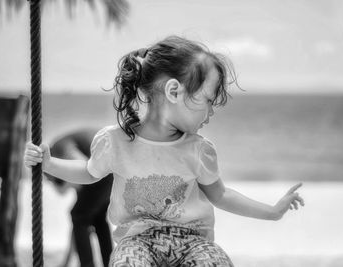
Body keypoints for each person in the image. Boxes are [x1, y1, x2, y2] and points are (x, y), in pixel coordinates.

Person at [24, 35, 305, 267]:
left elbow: (221, 194)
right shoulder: (116, 142)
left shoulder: (199, 150)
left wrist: (272, 212)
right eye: (207, 100)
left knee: (216, 263)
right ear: (173, 91)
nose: (210, 112)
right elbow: (88, 172)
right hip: (137, 242)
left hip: (194, 242)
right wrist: (49, 163)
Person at [44, 129, 113, 267]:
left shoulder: (60, 147)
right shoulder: (75, 176)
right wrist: (65, 262)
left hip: (102, 169)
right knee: (97, 219)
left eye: (54, 180)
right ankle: (111, 263)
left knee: (79, 216)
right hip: (111, 171)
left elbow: (83, 164)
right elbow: (75, 232)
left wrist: (65, 181)